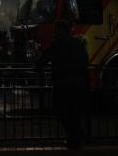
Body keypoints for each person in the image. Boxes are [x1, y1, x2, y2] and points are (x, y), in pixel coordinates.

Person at [35, 20, 89, 149]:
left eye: (56, 30)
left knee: (60, 110)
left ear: (60, 30)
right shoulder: (78, 43)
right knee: (74, 112)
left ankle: (76, 135)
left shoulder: (57, 43)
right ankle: (76, 138)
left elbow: (44, 59)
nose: (54, 32)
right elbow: (85, 60)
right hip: (79, 83)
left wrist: (37, 66)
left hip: (62, 83)